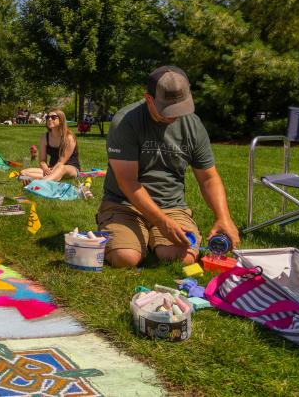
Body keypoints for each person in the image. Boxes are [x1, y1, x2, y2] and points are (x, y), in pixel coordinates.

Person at [98, 66, 240, 269]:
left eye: (180, 107)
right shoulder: (125, 122)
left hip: (171, 206)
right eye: (167, 109)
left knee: (181, 257)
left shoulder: (193, 125)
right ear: (148, 98)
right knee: (125, 258)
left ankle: (148, 239)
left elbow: (208, 178)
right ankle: (131, 237)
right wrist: (162, 223)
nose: (174, 115)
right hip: (125, 204)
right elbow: (128, 181)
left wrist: (223, 218)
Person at [20, 109, 80, 181]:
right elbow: (42, 161)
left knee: (61, 168)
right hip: (51, 168)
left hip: (69, 167)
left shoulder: (69, 137)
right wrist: (45, 169)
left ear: (61, 120)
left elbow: (61, 162)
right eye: (47, 117)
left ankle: (40, 183)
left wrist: (51, 171)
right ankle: (40, 179)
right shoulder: (45, 138)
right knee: (23, 172)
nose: (49, 119)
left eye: (53, 117)